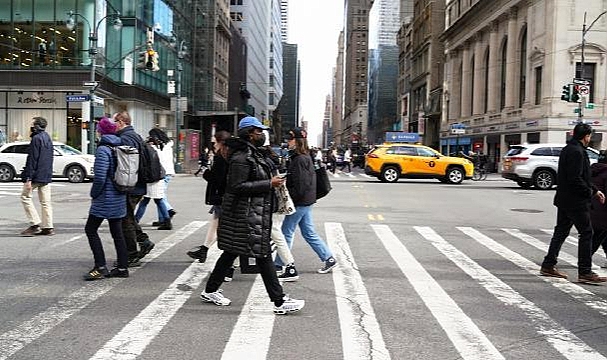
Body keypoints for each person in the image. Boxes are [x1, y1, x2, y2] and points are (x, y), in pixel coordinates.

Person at [200, 116, 304, 315]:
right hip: (246, 214)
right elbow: (236, 186)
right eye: (258, 131)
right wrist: (269, 183)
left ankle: (210, 290)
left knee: (230, 252)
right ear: (249, 133)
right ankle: (279, 301)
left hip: (251, 212)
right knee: (263, 253)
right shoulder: (241, 157)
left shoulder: (252, 153)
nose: (262, 134)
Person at [540, 123, 606, 283]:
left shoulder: (569, 149)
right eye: (589, 136)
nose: (589, 139)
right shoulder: (577, 152)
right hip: (575, 201)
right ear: (586, 136)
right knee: (587, 233)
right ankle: (585, 272)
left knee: (561, 231)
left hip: (564, 199)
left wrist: (595, 190)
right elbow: (576, 178)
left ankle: (548, 264)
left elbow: (582, 177)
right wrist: (590, 192)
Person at [277, 128, 337, 274]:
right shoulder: (304, 156)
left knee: (286, 232)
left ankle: (280, 264)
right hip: (307, 200)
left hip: (301, 202)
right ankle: (328, 258)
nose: (288, 142)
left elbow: (301, 185)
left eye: (290, 139)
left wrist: (291, 201)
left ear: (297, 141)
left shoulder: (299, 159)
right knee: (308, 232)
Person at [83, 117, 129, 280]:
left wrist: (93, 194)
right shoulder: (119, 146)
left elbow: (100, 177)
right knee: (117, 233)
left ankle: (100, 266)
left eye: (98, 129)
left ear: (101, 131)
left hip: (105, 198)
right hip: (119, 196)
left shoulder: (103, 149)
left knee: (90, 229)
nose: (97, 131)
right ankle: (123, 268)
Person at [113, 111, 155, 266]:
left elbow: (127, 166)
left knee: (125, 220)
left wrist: (122, 185)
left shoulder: (125, 138)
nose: (113, 125)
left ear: (122, 122)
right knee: (129, 217)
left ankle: (132, 254)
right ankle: (144, 241)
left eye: (115, 121)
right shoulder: (135, 135)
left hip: (131, 186)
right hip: (138, 185)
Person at [187, 130, 231, 263]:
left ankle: (209, 252)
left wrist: (206, 173)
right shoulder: (230, 154)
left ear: (219, 142)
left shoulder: (220, 156)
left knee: (221, 226)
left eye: (214, 142)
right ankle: (204, 250)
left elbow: (217, 179)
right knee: (215, 224)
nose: (213, 145)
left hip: (221, 195)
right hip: (227, 195)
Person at [20, 116, 54, 236]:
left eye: (32, 125)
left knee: (25, 197)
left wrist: (28, 178)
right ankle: (48, 227)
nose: (30, 127)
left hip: (36, 175)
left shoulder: (36, 139)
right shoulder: (47, 138)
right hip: (46, 175)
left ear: (36, 126)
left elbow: (32, 160)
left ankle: (35, 224)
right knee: (45, 202)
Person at [135, 136, 171, 230]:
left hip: (152, 180)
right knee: (157, 200)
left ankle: (136, 220)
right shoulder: (158, 150)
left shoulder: (149, 151)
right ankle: (167, 221)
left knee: (146, 201)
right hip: (158, 178)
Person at [149, 128, 177, 225]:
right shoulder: (168, 145)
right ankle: (161, 219)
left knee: (160, 196)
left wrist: (153, 148)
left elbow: (160, 158)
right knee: (160, 194)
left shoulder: (162, 146)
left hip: (163, 172)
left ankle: (169, 210)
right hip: (167, 172)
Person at [590, 150, 607, 264]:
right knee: (600, 236)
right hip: (602, 212)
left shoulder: (592, 170)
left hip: (589, 209)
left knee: (601, 236)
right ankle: (585, 258)